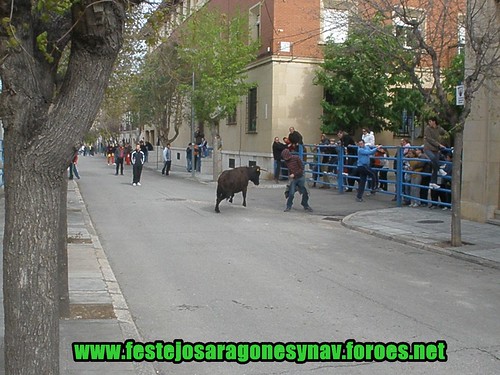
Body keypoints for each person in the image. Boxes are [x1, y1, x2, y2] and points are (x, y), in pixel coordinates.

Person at [423, 117, 447, 190]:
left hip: (435, 149)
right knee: (433, 158)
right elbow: (430, 139)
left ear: (434, 122)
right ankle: (440, 168)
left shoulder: (438, 128)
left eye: (430, 121)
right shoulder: (427, 129)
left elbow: (444, 132)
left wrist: (444, 132)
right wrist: (439, 145)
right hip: (428, 148)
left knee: (434, 166)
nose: (429, 123)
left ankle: (433, 182)